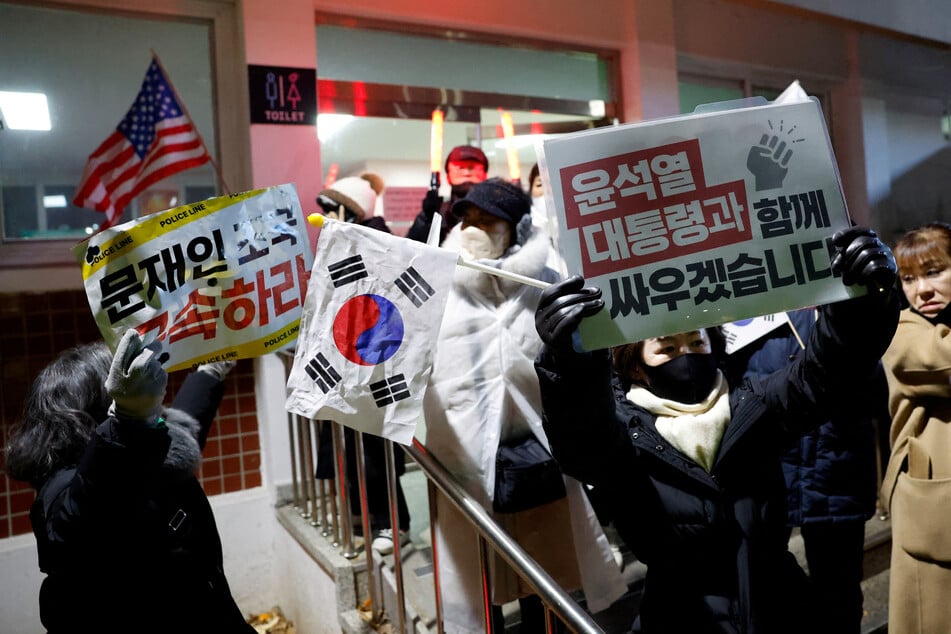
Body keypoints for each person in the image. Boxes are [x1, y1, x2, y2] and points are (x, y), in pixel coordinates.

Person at [533, 227, 899, 634]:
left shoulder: (754, 403)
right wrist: (569, 364)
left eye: (696, 343)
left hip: (782, 611)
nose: (684, 355)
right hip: (682, 618)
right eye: (667, 348)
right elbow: (582, 442)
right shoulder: (623, 431)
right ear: (636, 366)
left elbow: (824, 375)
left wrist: (859, 304)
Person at [423, 177, 627, 634]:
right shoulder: (442, 281)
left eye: (486, 218)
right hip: (463, 455)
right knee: (477, 568)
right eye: (467, 219)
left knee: (545, 567)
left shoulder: (544, 280)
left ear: (515, 227)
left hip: (537, 452)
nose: (473, 227)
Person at [4, 330, 253, 634]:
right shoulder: (64, 490)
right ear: (97, 411)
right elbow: (93, 503)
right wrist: (127, 421)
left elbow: (174, 442)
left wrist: (212, 370)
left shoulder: (141, 455)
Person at [725, 307, 888, 634]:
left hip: (835, 474)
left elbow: (874, 394)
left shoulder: (840, 304)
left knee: (838, 597)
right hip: (768, 473)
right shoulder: (739, 311)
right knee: (767, 592)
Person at [314, 172, 412, 554]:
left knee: (375, 449)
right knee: (355, 450)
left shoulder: (378, 243)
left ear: (349, 210)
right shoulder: (344, 243)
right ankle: (366, 520)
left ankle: (393, 523)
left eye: (329, 208)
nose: (322, 216)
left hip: (376, 363)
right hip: (349, 361)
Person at [880, 221, 951, 633]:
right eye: (908, 279)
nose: (920, 289)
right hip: (933, 502)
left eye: (934, 271)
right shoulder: (902, 331)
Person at [405, 145, 489, 244]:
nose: (466, 173)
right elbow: (411, 250)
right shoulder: (439, 213)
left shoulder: (494, 213)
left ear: (484, 175)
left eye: (472, 167)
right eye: (460, 168)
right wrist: (426, 219)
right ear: (448, 176)